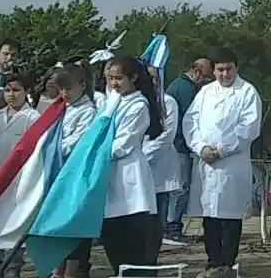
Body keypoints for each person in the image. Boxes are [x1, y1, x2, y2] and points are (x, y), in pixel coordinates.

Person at [184, 47, 262, 277]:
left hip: (232, 163)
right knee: (210, 215)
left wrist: (222, 149)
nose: (225, 74)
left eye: (229, 69)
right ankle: (212, 260)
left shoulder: (247, 92)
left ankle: (228, 262)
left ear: (236, 68)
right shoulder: (205, 92)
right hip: (206, 163)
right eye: (220, 69)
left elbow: (249, 127)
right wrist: (200, 147)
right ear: (213, 70)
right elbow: (190, 122)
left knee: (230, 215)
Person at [97, 56, 163, 275]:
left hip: (128, 174)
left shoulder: (138, 105)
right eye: (110, 78)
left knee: (133, 243)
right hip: (108, 173)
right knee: (114, 242)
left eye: (119, 78)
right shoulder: (111, 102)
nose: (114, 83)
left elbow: (123, 144)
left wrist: (95, 152)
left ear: (133, 78)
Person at [0, 72, 39, 277]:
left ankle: (13, 265)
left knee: (14, 223)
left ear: (27, 92)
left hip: (18, 179)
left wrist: (15, 171)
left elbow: (34, 149)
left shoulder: (33, 117)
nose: (11, 94)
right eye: (8, 90)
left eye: (17, 90)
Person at [56, 63, 98, 278]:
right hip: (58, 173)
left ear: (82, 85)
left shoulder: (88, 111)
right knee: (58, 225)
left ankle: (73, 271)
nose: (64, 94)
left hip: (75, 174)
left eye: (68, 89)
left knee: (73, 225)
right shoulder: (62, 107)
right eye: (61, 89)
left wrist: (53, 148)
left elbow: (78, 140)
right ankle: (58, 269)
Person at [165, 56, 213, 243]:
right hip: (180, 145)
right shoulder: (186, 89)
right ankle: (172, 227)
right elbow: (193, 118)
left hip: (175, 144)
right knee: (180, 187)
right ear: (198, 73)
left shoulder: (177, 84)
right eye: (207, 78)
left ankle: (170, 224)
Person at [142, 65, 182, 259]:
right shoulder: (134, 102)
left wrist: (141, 157)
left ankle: (150, 264)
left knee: (154, 222)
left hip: (157, 170)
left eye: (155, 79)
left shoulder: (168, 103)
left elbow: (165, 137)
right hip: (132, 171)